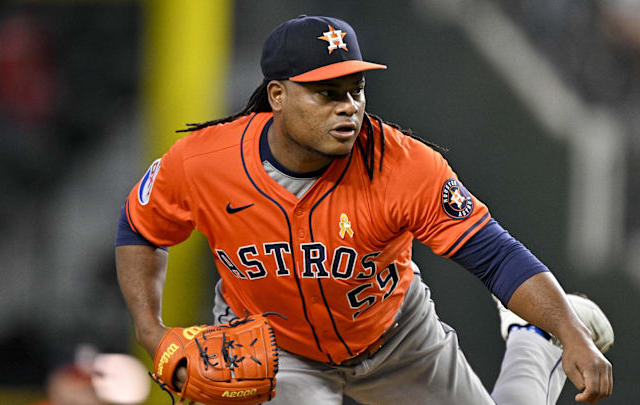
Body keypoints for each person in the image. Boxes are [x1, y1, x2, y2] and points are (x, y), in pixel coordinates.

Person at [115, 15, 613, 404]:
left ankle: (533, 339)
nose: (348, 106)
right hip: (275, 351)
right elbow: (140, 226)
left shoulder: (404, 165)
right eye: (326, 93)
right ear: (277, 96)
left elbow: (496, 256)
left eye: (355, 89)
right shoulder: (204, 162)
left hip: (397, 337)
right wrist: (148, 328)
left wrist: (567, 331)